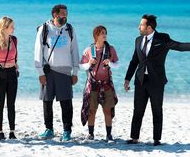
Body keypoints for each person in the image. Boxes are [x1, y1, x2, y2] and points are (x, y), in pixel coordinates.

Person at [124, 14, 190, 146]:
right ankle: (134, 137)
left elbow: (179, 46)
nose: (139, 26)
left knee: (157, 110)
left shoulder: (162, 38)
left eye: (141, 24)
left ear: (149, 27)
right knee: (138, 110)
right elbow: (134, 61)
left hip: (157, 82)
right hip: (141, 81)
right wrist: (127, 79)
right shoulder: (138, 40)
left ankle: (156, 139)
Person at [34, 4, 79, 141]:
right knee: (47, 102)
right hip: (48, 71)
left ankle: (67, 131)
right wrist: (40, 72)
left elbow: (74, 51)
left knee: (66, 102)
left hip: (65, 71)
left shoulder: (70, 30)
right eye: (62, 14)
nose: (65, 16)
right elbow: (38, 51)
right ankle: (49, 129)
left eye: (66, 14)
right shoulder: (44, 29)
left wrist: (75, 71)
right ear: (55, 15)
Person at [80, 25, 118, 141]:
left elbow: (117, 64)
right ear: (96, 36)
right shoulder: (88, 50)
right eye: (102, 33)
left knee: (107, 110)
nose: (105, 35)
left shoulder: (110, 49)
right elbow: (81, 66)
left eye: (105, 33)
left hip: (106, 84)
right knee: (92, 110)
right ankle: (91, 134)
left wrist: (110, 63)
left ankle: (109, 134)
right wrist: (89, 64)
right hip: (93, 84)